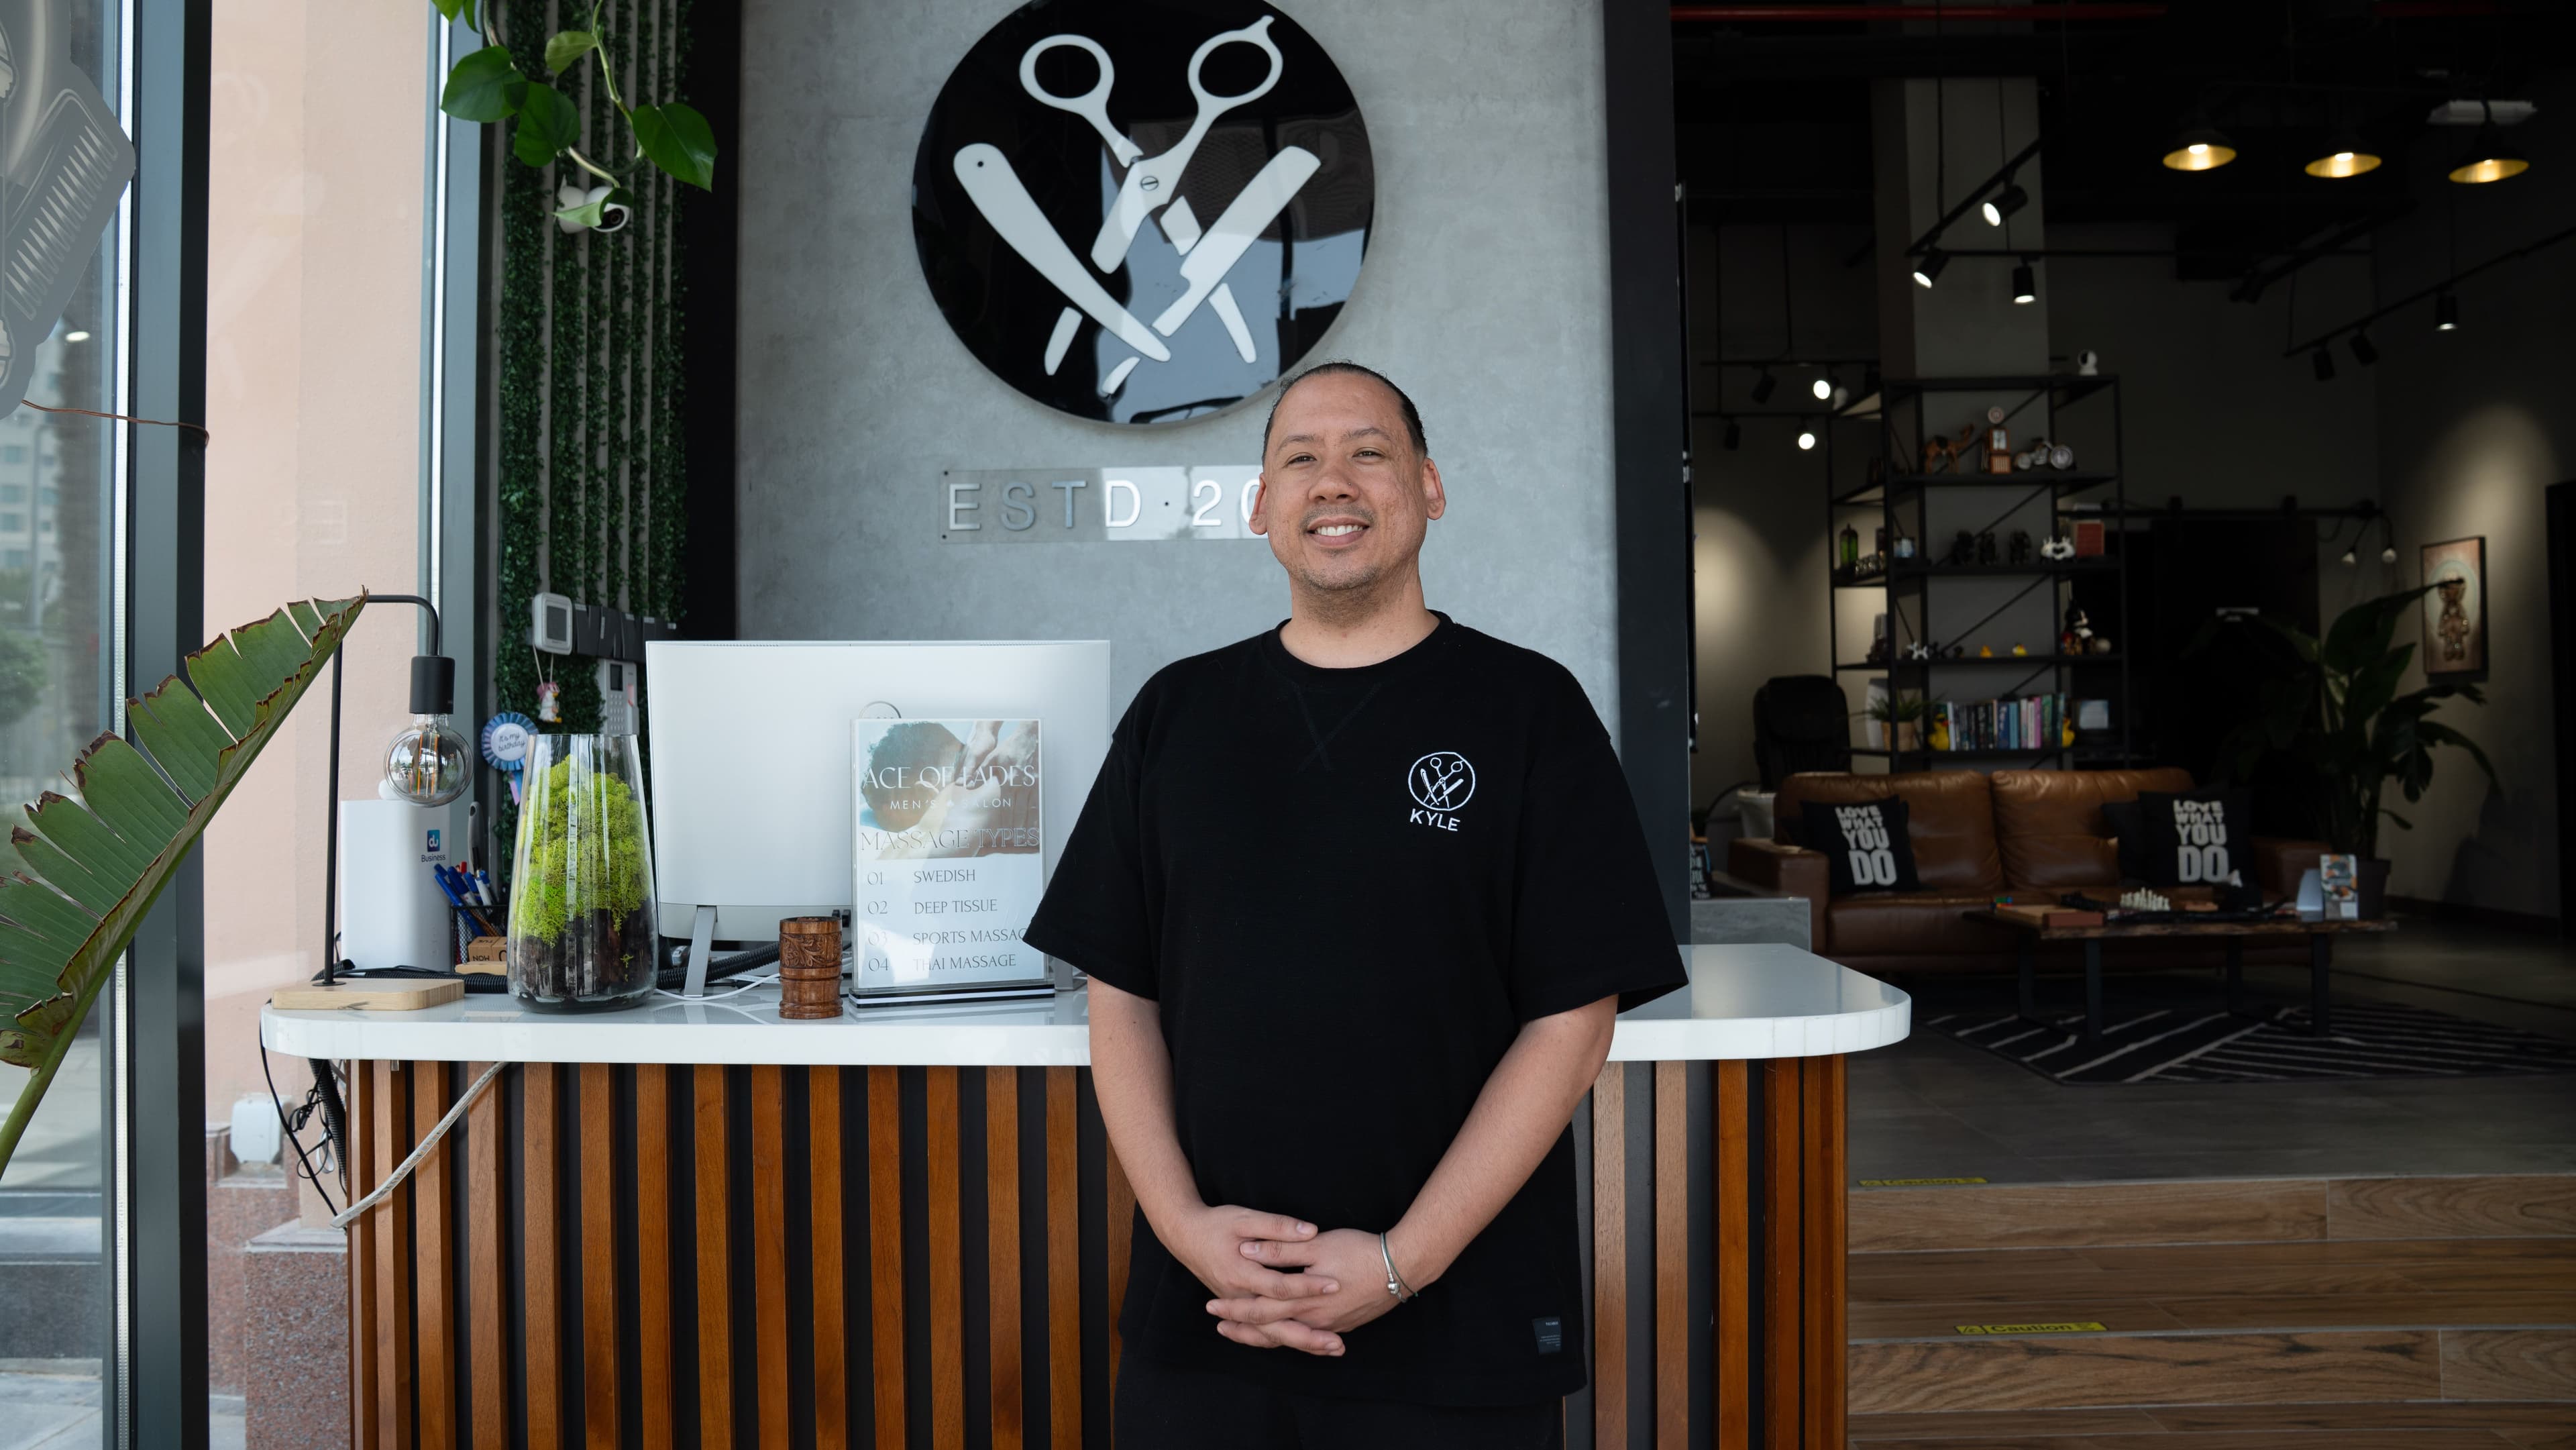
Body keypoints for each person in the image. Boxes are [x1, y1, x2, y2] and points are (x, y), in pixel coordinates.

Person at [1023, 362, 1686, 1449]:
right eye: (1300, 458)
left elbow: (1572, 1022)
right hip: (1209, 1322)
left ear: (1429, 487)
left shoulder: (1532, 711)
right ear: (1261, 507)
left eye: (1369, 452)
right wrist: (1186, 1231)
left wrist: (1398, 1262)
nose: (1333, 480)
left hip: (1458, 1335)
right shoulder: (1176, 713)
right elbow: (1121, 997)